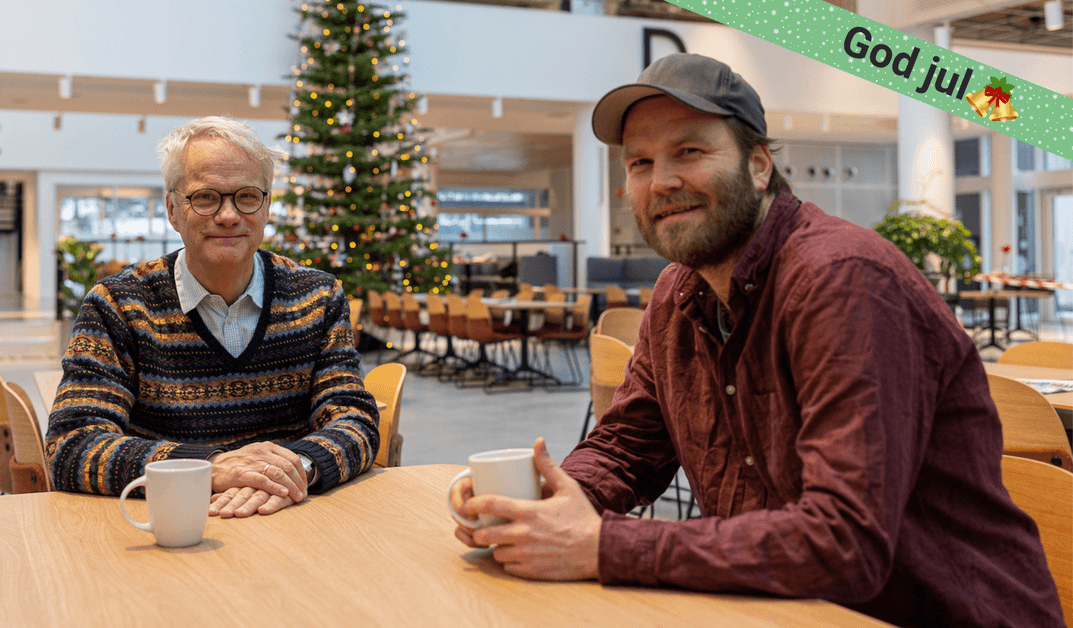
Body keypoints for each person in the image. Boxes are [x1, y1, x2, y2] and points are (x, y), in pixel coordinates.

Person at [451, 54, 1064, 627]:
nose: (661, 180)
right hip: (784, 609)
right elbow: (625, 447)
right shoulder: (677, 294)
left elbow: (841, 542)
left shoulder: (842, 280)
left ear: (759, 164)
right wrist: (540, 505)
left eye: (688, 151)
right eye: (639, 163)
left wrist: (602, 546)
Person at [46, 116, 379, 518]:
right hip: (174, 532)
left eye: (247, 197)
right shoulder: (118, 305)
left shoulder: (319, 297)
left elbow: (354, 418)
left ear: (268, 206)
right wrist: (210, 467)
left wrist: (296, 470)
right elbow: (71, 443)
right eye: (205, 198)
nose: (228, 215)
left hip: (293, 522)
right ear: (172, 209)